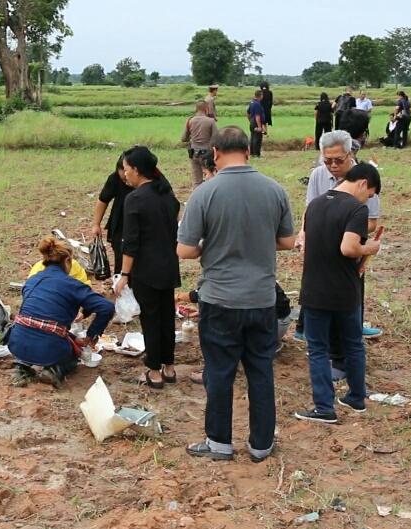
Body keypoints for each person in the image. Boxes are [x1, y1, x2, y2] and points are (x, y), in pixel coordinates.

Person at [178, 126, 296, 463]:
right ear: (248, 151)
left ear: (214, 153)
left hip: (219, 300)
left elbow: (185, 250)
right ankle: (261, 445)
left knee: (219, 372)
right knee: (260, 371)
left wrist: (214, 243)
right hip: (262, 299)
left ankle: (219, 443)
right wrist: (257, 239)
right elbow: (287, 241)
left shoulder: (204, 193)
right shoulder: (274, 190)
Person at [294, 163, 382, 424]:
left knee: (318, 349)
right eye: (370, 193)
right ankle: (356, 396)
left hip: (314, 289)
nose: (368, 199)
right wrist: (371, 248)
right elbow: (348, 247)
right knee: (353, 344)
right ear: (363, 183)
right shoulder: (356, 209)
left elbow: (306, 244)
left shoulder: (315, 205)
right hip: (345, 289)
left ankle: (324, 406)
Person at [294, 131, 382, 350]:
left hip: (349, 243)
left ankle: (352, 329)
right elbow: (310, 209)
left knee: (349, 288)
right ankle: (304, 328)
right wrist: (304, 234)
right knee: (315, 285)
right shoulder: (317, 175)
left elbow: (371, 221)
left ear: (349, 154)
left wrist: (345, 229)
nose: (332, 165)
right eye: (327, 160)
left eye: (338, 160)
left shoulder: (364, 177)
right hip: (320, 243)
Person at [7, 237, 115, 388]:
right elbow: (106, 307)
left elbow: (41, 317)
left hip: (16, 343)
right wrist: (92, 335)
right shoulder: (71, 284)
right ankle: (55, 370)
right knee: (73, 354)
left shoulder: (31, 281)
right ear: (68, 261)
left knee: (35, 333)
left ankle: (22, 367)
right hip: (50, 348)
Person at [116, 147, 181, 389]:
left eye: (126, 168)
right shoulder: (167, 195)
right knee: (166, 317)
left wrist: (124, 274)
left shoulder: (135, 200)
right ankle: (169, 367)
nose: (124, 174)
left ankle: (154, 372)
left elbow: (131, 243)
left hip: (146, 269)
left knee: (151, 318)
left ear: (136, 169)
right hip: (169, 265)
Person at [91, 151, 132, 275]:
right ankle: (120, 284)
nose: (126, 181)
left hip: (143, 224)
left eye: (128, 176)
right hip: (121, 223)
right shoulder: (114, 179)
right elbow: (103, 200)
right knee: (120, 256)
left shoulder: (152, 180)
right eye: (123, 179)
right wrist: (96, 224)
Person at [181, 101, 219, 186]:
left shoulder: (190, 121)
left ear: (196, 109)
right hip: (207, 154)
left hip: (194, 153)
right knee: (210, 178)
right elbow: (216, 138)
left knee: (197, 181)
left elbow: (183, 138)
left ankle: (197, 197)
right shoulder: (210, 121)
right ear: (206, 109)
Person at [247, 90, 267, 158]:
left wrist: (250, 120)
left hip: (252, 122)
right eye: (262, 95)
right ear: (260, 95)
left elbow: (248, 113)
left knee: (252, 137)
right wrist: (259, 127)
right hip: (256, 122)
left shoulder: (252, 102)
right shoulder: (257, 104)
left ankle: (252, 153)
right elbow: (257, 116)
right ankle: (256, 154)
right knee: (257, 138)